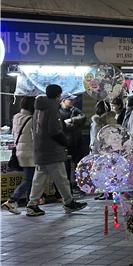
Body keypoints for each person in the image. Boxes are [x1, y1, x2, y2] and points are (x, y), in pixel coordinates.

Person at [26, 85, 87, 216]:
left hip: (40, 149)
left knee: (39, 179)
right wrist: (66, 143)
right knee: (62, 178)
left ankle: (32, 205)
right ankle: (69, 203)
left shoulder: (38, 108)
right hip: (52, 150)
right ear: (58, 95)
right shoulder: (52, 109)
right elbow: (54, 131)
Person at [2, 97, 36, 214]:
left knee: (31, 179)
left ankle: (31, 204)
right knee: (29, 180)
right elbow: (34, 138)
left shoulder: (16, 117)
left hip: (20, 152)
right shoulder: (32, 119)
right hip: (30, 152)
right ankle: (12, 200)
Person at [59, 93, 88, 166]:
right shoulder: (58, 111)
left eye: (73, 100)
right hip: (65, 141)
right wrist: (72, 125)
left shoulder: (74, 110)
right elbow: (62, 126)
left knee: (78, 163)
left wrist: (71, 120)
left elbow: (83, 118)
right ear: (63, 100)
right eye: (70, 100)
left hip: (76, 141)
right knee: (66, 164)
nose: (72, 101)